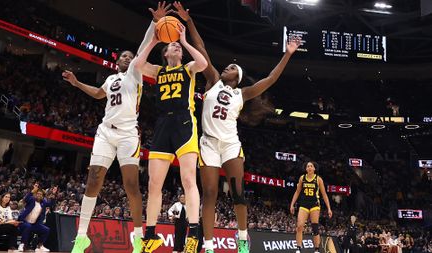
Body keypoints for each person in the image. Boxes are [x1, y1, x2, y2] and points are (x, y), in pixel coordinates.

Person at [172, 2, 300, 253]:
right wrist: (189, 21)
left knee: (238, 194)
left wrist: (288, 53)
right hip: (208, 142)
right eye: (227, 66)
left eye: (231, 68)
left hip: (230, 144)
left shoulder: (242, 93)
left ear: (237, 77)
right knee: (209, 195)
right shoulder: (211, 81)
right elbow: (201, 48)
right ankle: (208, 246)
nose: (226, 67)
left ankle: (243, 239)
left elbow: (270, 79)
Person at [62, 3, 171, 253]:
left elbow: (144, 45)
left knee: (131, 185)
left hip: (127, 135)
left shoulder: (135, 73)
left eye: (132, 57)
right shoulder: (111, 79)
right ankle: (82, 237)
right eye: (125, 56)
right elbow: (99, 95)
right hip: (105, 131)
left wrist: (155, 23)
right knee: (93, 180)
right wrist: (78, 83)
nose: (129, 59)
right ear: (117, 60)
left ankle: (137, 237)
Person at [134, 15, 208, 253]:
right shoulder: (158, 71)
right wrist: (154, 41)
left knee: (188, 180)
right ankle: (151, 235)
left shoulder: (189, 68)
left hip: (184, 122)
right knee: (154, 183)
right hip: (163, 125)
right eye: (172, 45)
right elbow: (137, 64)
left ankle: (194, 233)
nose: (175, 46)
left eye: (178, 47)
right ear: (166, 53)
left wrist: (185, 41)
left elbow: (204, 64)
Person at [290, 161, 333, 253]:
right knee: (300, 226)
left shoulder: (318, 179)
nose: (309, 167)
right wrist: (292, 204)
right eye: (308, 166)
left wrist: (329, 208)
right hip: (303, 204)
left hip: (314, 205)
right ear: (306, 169)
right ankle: (298, 247)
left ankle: (317, 249)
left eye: (311, 166)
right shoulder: (302, 178)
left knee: (315, 227)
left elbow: (324, 194)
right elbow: (297, 192)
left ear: (314, 168)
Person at [17, 183, 57, 252]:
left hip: (34, 224)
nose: (39, 195)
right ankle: (22, 244)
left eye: (41, 194)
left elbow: (51, 204)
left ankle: (39, 246)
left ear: (42, 196)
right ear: (35, 194)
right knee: (27, 226)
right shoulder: (31, 199)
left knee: (46, 229)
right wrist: (33, 190)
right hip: (23, 222)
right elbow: (26, 199)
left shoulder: (43, 202)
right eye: (37, 193)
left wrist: (53, 194)